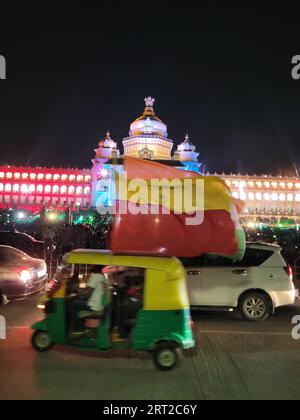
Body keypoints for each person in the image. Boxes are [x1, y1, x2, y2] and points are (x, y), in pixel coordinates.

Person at [66, 265, 106, 335]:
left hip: (94, 305)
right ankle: (80, 325)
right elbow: (90, 290)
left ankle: (79, 328)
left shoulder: (96, 276)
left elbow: (87, 293)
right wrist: (80, 292)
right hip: (99, 303)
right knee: (76, 302)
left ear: (97, 267)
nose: (91, 267)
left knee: (70, 304)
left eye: (93, 266)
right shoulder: (102, 277)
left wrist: (75, 295)